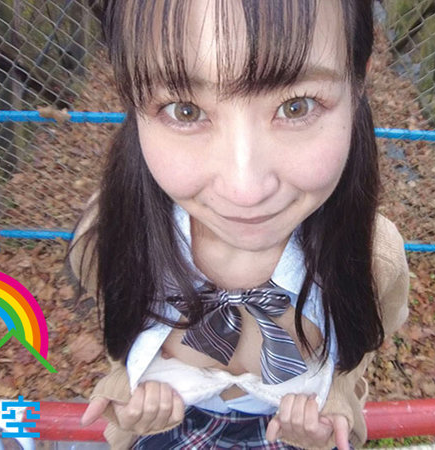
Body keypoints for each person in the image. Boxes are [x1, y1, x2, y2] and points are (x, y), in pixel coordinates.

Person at [68, 0, 410, 448]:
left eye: (296, 106)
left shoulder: (373, 259)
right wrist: (128, 391)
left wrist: (335, 404)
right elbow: (122, 329)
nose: (245, 190)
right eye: (185, 110)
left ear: (358, 84)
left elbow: (358, 345)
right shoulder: (109, 235)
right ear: (131, 99)